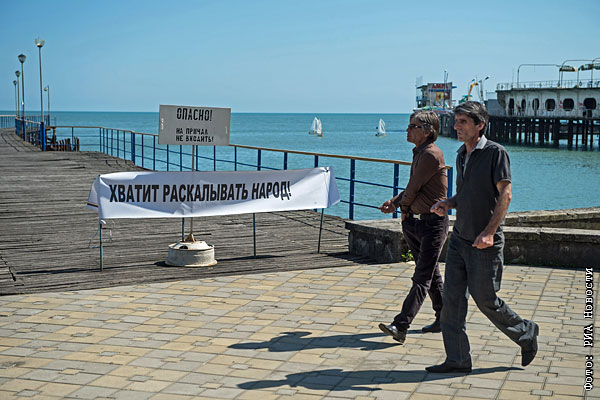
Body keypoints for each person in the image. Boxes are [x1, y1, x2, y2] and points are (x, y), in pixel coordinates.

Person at [427, 101, 539, 373]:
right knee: (452, 302)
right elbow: (467, 193)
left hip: (485, 243)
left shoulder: (495, 153)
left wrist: (489, 233)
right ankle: (457, 359)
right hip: (460, 239)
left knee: (486, 299)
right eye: (456, 121)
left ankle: (525, 332)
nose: (456, 126)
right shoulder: (461, 154)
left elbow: (505, 195)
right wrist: (449, 203)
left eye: (463, 122)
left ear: (480, 125)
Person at [378, 110, 449, 344]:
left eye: (413, 126)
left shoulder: (431, 155)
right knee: (431, 274)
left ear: (427, 132)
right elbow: (412, 188)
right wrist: (395, 203)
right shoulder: (420, 152)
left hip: (432, 224)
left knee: (422, 277)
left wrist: (401, 206)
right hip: (416, 222)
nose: (407, 130)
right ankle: (445, 318)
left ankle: (401, 326)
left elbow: (413, 188)